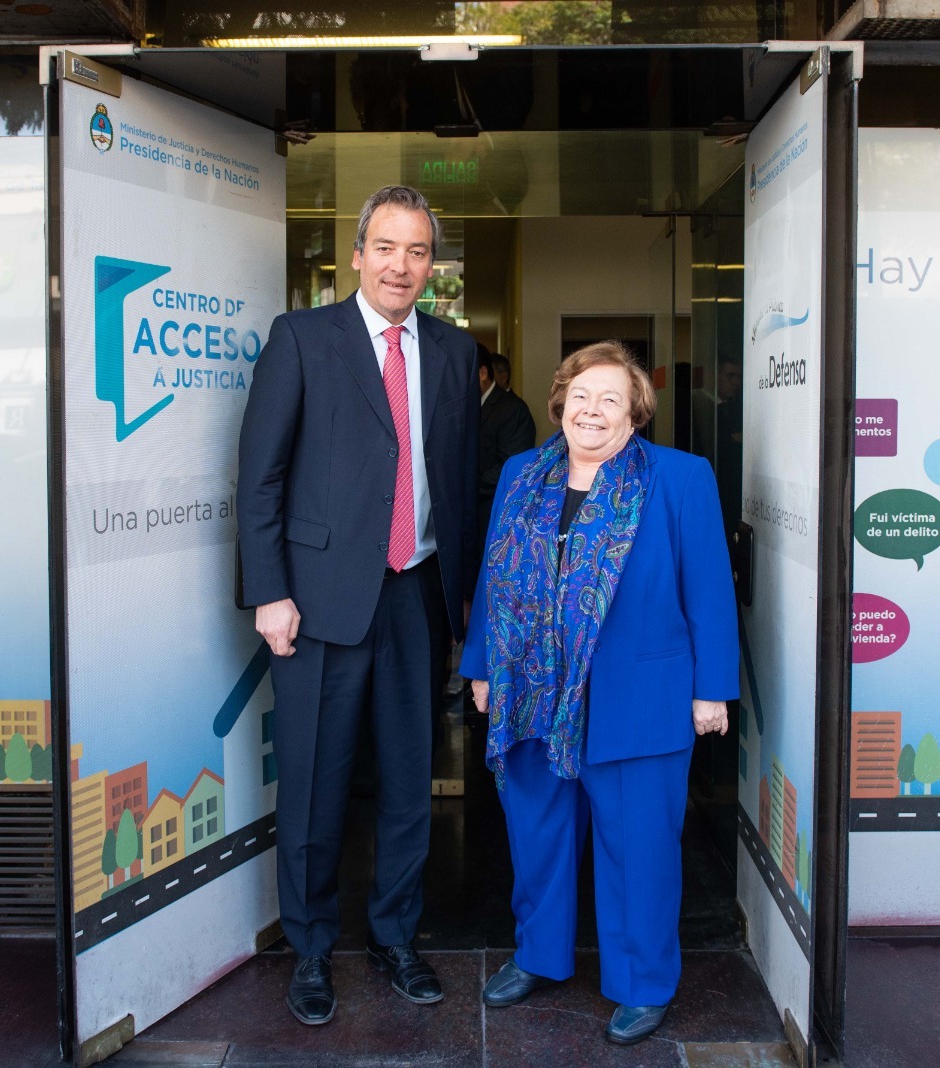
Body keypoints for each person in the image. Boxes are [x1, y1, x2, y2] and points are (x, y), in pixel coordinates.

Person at [237, 185, 479, 1026]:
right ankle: (310, 949)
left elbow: (455, 483)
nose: (401, 265)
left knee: (413, 781)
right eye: (386, 247)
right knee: (312, 784)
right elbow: (260, 476)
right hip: (316, 603)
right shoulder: (302, 339)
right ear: (356, 253)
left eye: (418, 252)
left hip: (418, 596)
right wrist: (268, 590)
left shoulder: (454, 350)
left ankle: (394, 937)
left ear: (431, 264)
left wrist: (468, 600)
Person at [460, 341, 738, 1046]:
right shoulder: (524, 473)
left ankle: (643, 982)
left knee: (639, 846)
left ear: (637, 412)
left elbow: (709, 588)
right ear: (560, 401)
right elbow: (494, 579)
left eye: (611, 398)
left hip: (638, 695)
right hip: (532, 691)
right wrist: (484, 664)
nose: (593, 410)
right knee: (539, 834)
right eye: (582, 395)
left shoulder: (679, 478)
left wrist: (712, 689)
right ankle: (538, 955)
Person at [477, 348, 536, 552]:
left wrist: (469, 487)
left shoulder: (513, 409)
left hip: (495, 509)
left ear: (482, 374)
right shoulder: (470, 405)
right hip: (474, 512)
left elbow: (513, 466)